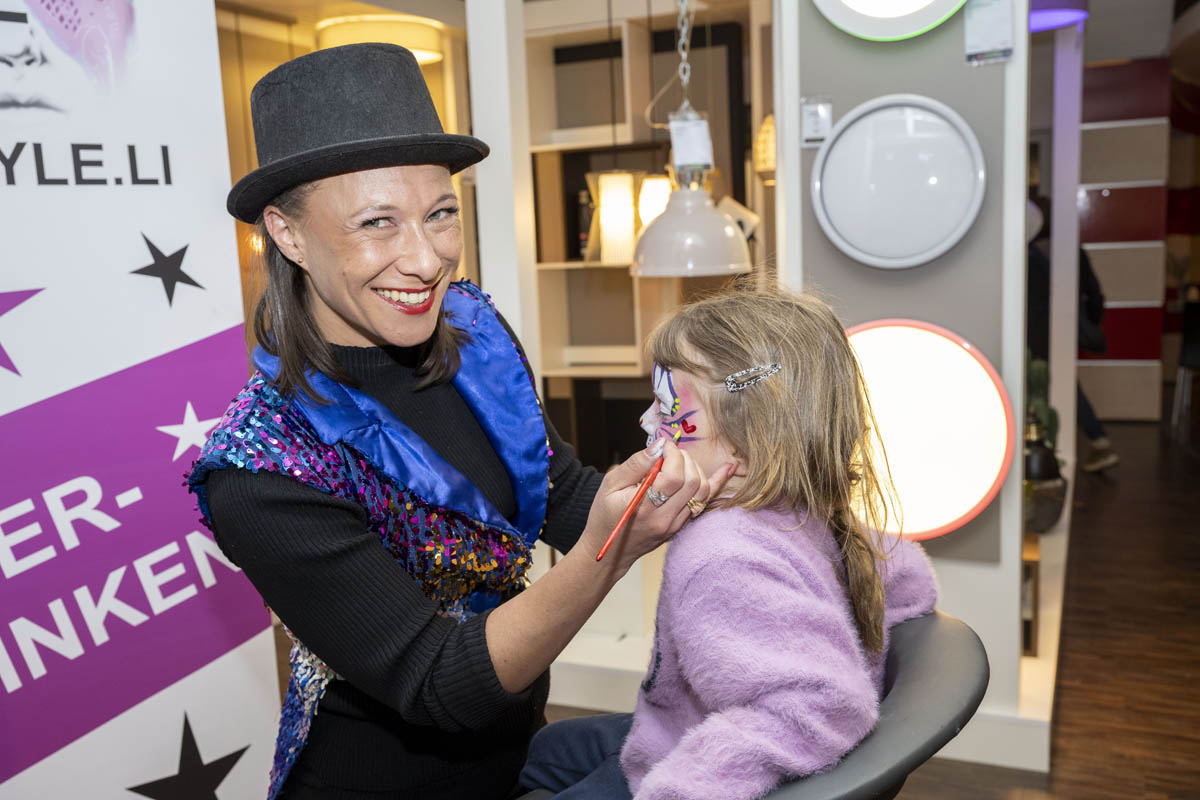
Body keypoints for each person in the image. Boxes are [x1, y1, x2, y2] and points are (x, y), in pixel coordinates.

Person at [186, 44, 731, 800]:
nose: (425, 259)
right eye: (378, 222)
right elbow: (438, 681)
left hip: (517, 749)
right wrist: (607, 552)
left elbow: (558, 491)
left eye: (441, 214)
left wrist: (709, 484)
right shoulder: (262, 468)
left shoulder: (472, 330)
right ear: (288, 234)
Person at [518, 290, 938, 800]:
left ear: (742, 443)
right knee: (546, 750)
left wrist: (680, 790)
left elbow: (822, 706)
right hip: (675, 725)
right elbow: (909, 583)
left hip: (685, 767)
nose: (646, 421)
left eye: (665, 405)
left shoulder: (720, 557)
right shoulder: (814, 513)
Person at [1026, 198, 1119, 472]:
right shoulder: (1071, 251)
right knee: (1065, 386)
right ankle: (1095, 440)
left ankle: (1049, 455)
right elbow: (1095, 295)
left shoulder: (1027, 255)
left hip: (1033, 336)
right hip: (1061, 332)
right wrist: (1084, 324)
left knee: (1042, 389)